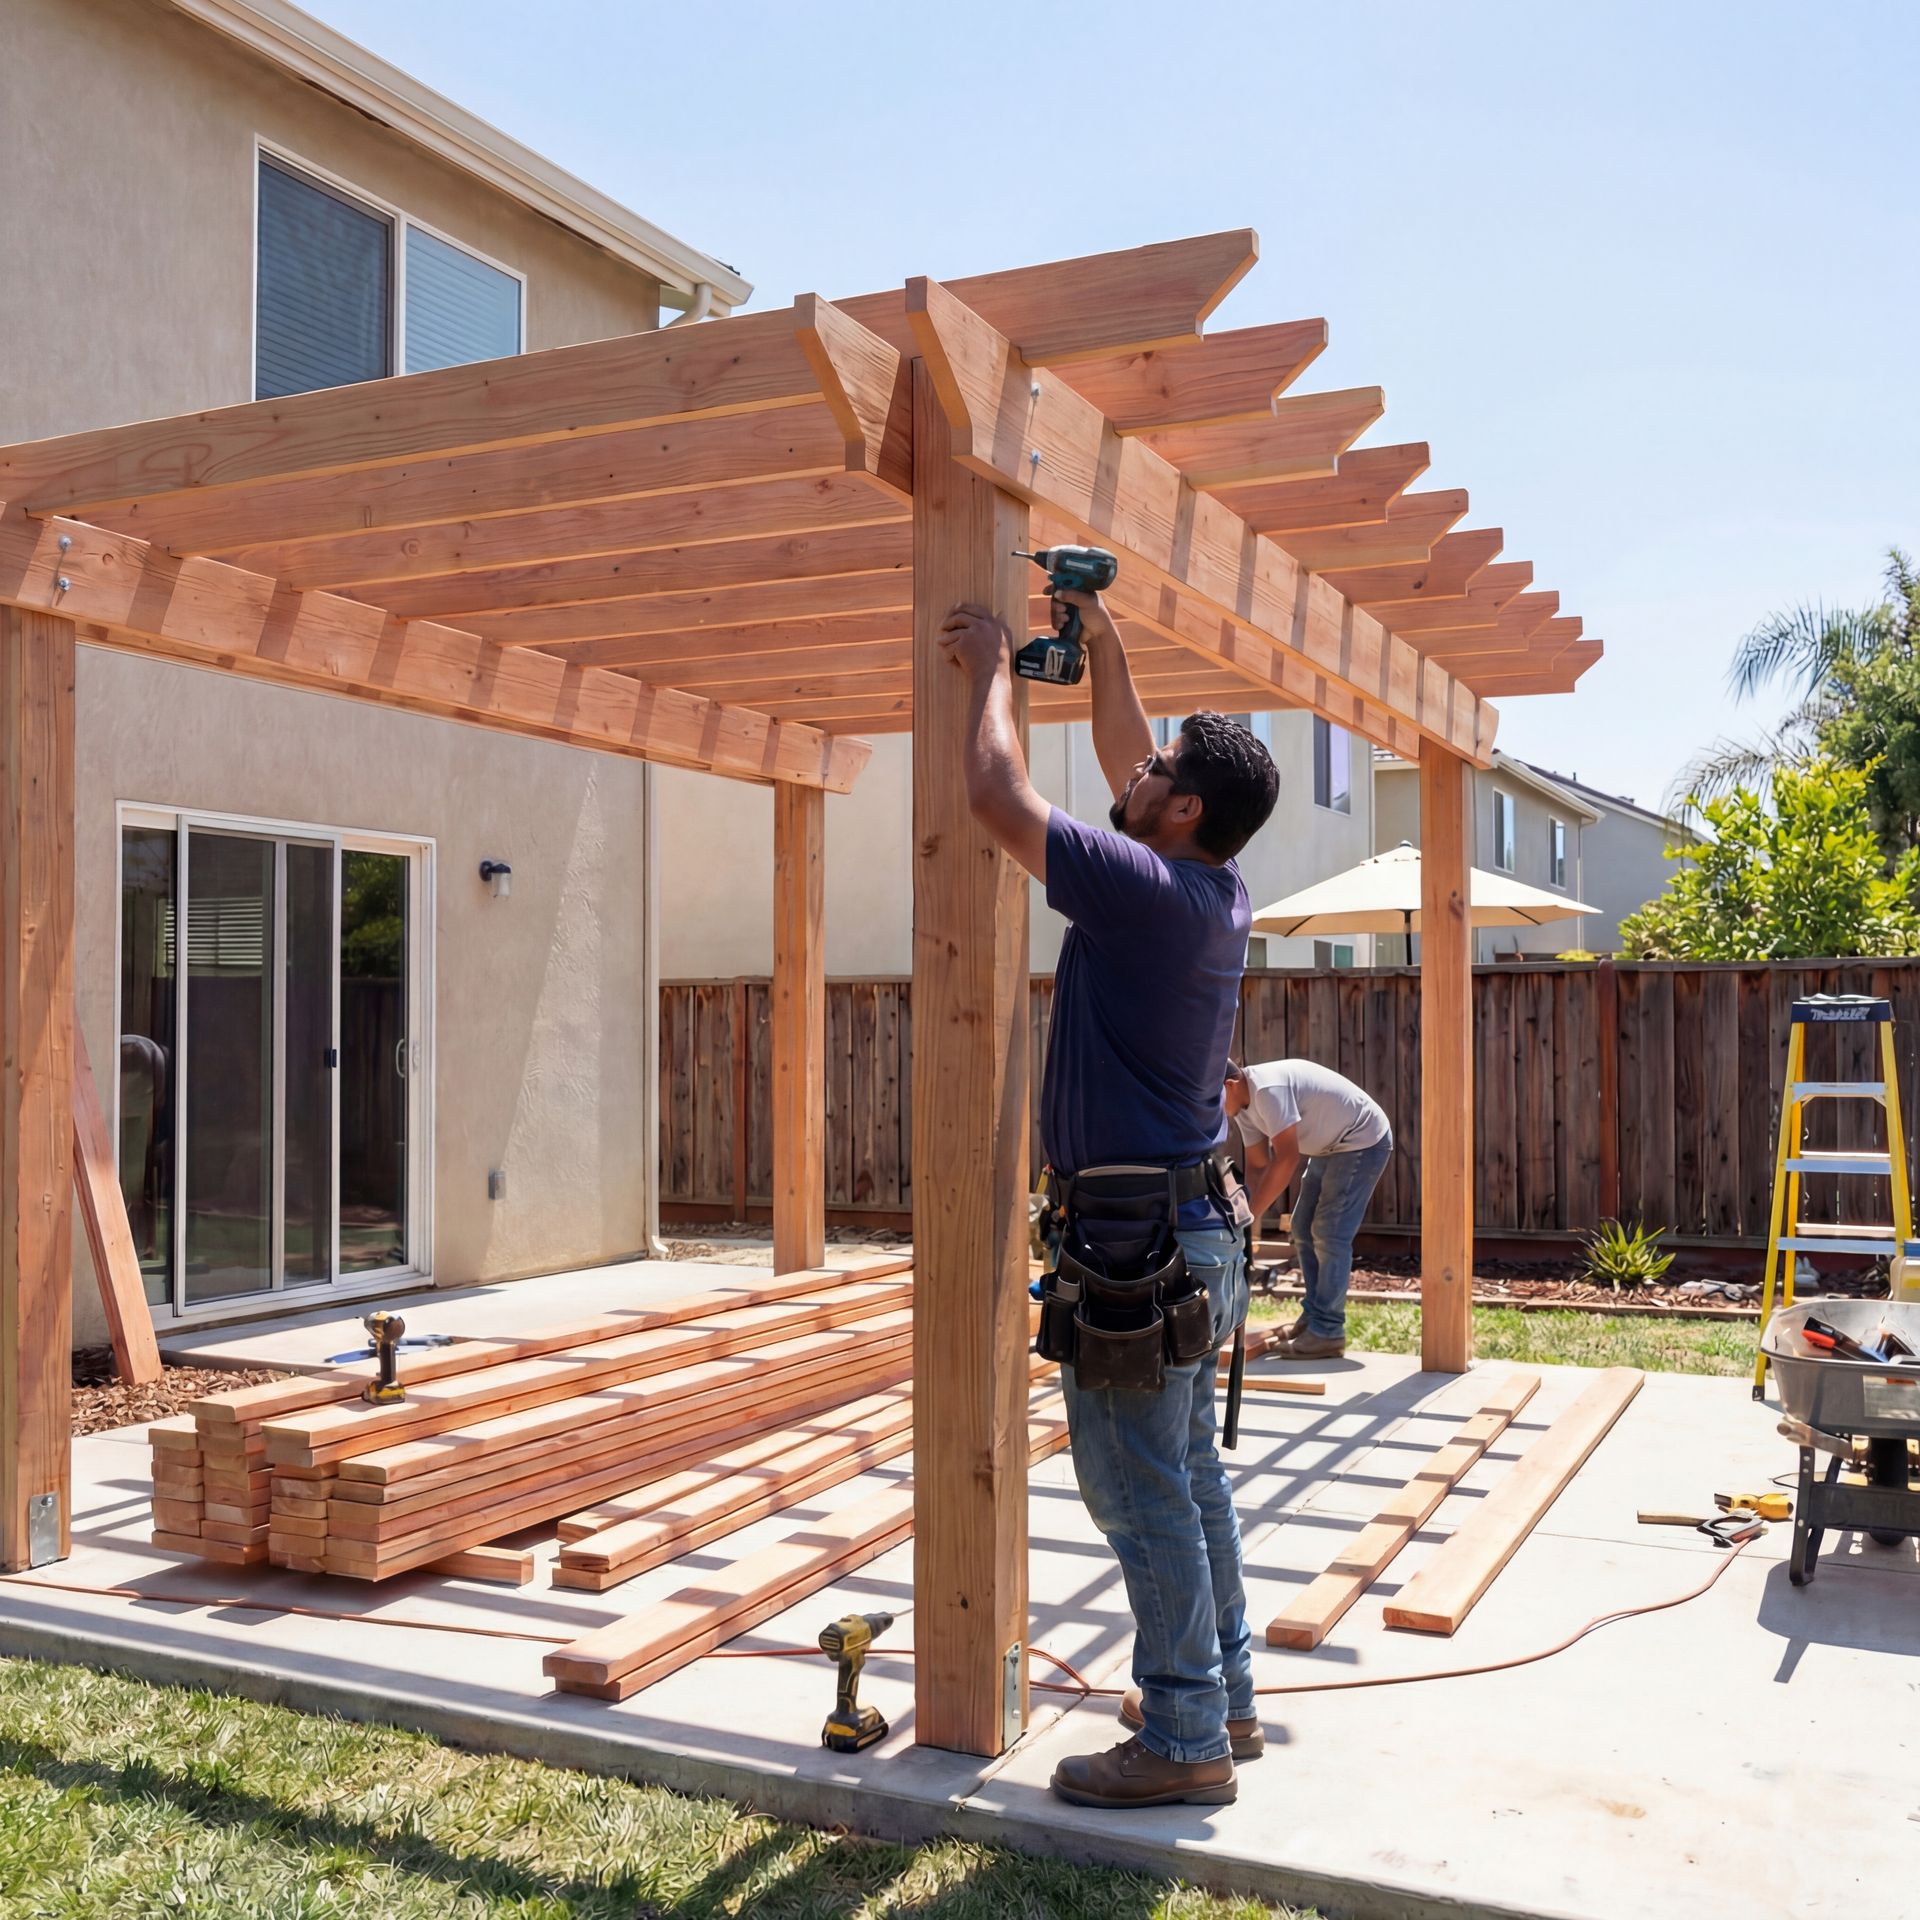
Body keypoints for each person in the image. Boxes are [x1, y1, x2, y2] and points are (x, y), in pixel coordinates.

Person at [938, 587, 1278, 1811]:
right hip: (1191, 1227)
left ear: (1183, 811)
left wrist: (993, 673)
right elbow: (1134, 755)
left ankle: (1183, 1737)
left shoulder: (1144, 893)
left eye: (1163, 772)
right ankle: (1219, 1700)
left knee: (1137, 1492)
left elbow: (993, 799)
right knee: (1186, 1477)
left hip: (1141, 1240)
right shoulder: (1210, 886)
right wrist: (1110, 647)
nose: (1137, 771)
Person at [1225, 1058, 1393, 1357]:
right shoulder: (1243, 1107)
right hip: (1327, 1146)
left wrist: (1253, 1215)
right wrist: (1245, 1214)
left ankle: (1328, 1330)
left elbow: (1287, 1159)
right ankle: (1315, 1318)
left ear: (1230, 1085)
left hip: (1360, 1138)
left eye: (1209, 1098)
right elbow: (1258, 1165)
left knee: (1329, 1234)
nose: (1206, 1108)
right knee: (1302, 1229)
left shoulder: (1267, 1089)